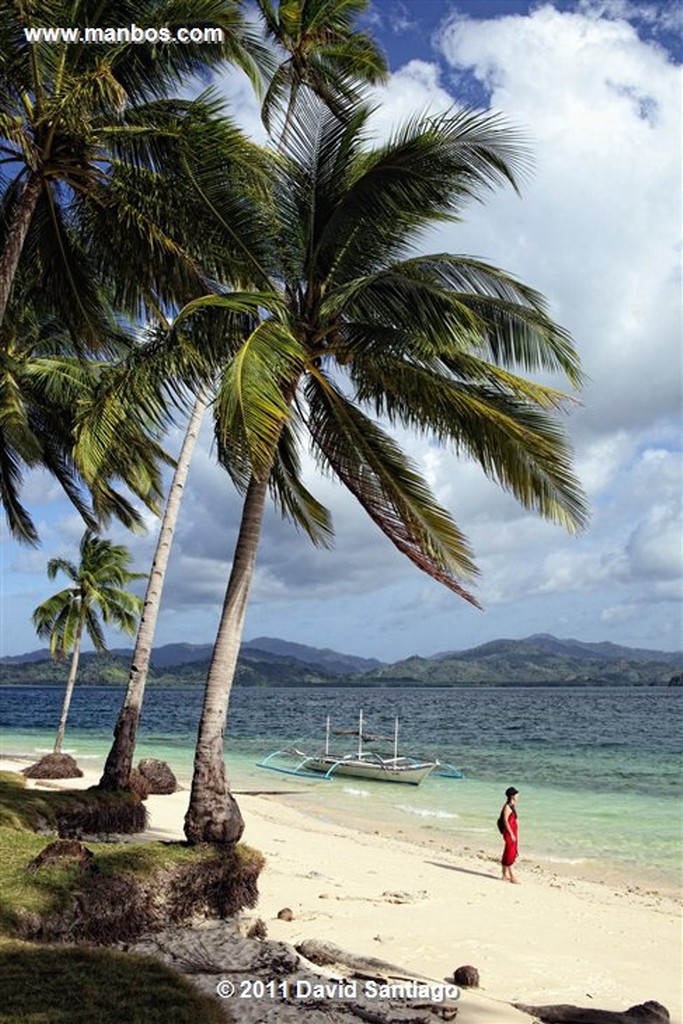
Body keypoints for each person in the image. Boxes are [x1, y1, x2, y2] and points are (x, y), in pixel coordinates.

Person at [499, 786, 520, 883]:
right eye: (516, 794)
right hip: (509, 832)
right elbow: (505, 821)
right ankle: (512, 876)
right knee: (510, 853)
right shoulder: (507, 807)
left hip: (513, 832)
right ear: (512, 796)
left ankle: (504, 874)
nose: (518, 796)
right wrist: (511, 833)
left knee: (508, 852)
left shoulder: (512, 805)